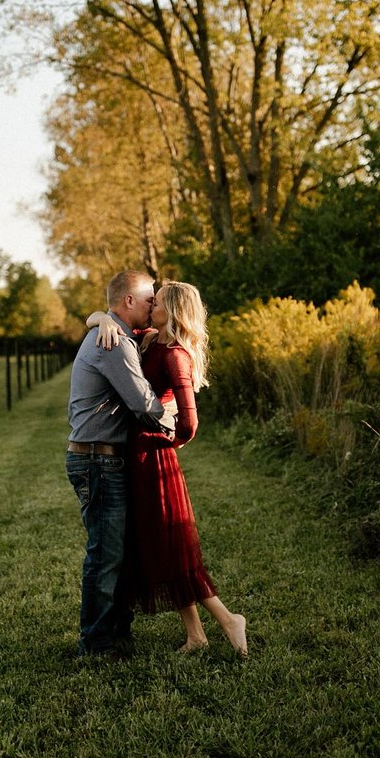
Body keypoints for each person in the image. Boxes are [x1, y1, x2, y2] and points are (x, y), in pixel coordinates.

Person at [89, 281, 248, 657]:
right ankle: (195, 634)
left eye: (156, 302)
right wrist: (101, 319)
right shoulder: (151, 340)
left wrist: (163, 444)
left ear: (171, 310)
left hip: (155, 460)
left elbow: (190, 423)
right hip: (138, 459)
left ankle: (228, 619)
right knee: (160, 548)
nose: (150, 305)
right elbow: (102, 315)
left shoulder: (175, 354)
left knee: (173, 549)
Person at [66, 270, 175, 658]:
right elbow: (143, 404)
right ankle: (95, 646)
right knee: (105, 554)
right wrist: (176, 421)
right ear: (129, 301)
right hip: (97, 459)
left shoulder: (119, 333)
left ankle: (115, 634)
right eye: (149, 299)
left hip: (106, 458)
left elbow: (155, 338)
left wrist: (99, 316)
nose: (152, 306)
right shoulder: (112, 342)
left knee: (119, 552)